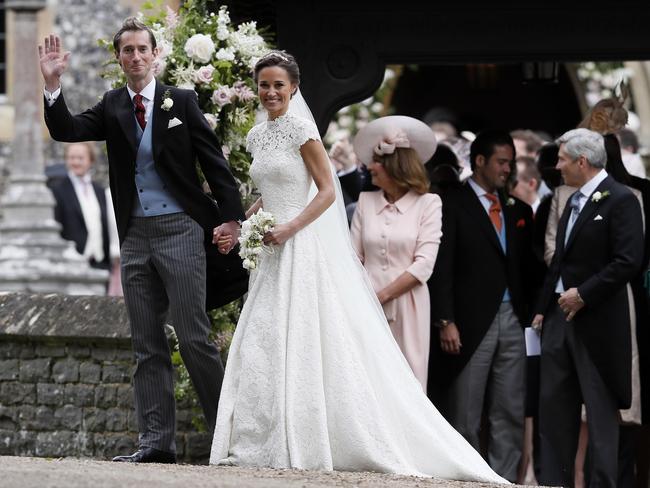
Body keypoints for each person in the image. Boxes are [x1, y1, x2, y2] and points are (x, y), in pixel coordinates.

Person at [209, 51, 507, 484]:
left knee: (305, 335)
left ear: (293, 87)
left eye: (278, 84)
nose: (270, 92)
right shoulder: (257, 135)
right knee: (265, 337)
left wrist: (290, 227)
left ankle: (312, 435)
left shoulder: (302, 129)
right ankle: (259, 438)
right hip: (271, 248)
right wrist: (242, 226)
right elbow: (267, 194)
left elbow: (327, 191)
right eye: (264, 84)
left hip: (300, 243)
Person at [39, 18, 246, 464]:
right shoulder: (113, 105)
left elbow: (215, 167)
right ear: (119, 58)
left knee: (193, 337)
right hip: (134, 235)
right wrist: (53, 87)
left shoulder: (183, 102)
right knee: (146, 342)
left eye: (141, 49)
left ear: (155, 56)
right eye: (127, 50)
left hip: (181, 230)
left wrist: (230, 220)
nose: (135, 56)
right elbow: (67, 130)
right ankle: (155, 443)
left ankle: (226, 439)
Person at [532, 128, 643, 488]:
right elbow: (560, 261)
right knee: (554, 413)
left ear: (582, 161)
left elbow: (628, 261)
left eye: (562, 159)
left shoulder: (622, 199)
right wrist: (541, 308)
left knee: (599, 417)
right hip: (558, 321)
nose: (557, 165)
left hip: (599, 324)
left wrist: (584, 294)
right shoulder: (570, 199)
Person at [428, 130, 536, 482]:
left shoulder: (517, 207)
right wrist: (446, 320)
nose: (508, 169)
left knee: (509, 408)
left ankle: (502, 479)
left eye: (511, 163)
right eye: (502, 162)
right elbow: (441, 265)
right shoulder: (451, 201)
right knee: (465, 411)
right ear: (480, 161)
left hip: (512, 319)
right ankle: (467, 478)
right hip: (470, 321)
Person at [349, 115, 442, 390]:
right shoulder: (365, 201)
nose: (369, 167)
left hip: (409, 305)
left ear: (394, 166)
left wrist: (382, 296)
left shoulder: (429, 204)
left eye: (376, 161)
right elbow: (353, 256)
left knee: (408, 381)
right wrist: (365, 299)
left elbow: (424, 265)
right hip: (366, 303)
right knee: (369, 380)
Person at [50, 142, 118, 275]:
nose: (75, 162)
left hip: (101, 263)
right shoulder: (57, 190)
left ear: (91, 160)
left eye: (80, 158)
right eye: (71, 158)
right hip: (72, 264)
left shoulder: (99, 191)